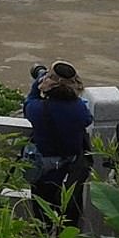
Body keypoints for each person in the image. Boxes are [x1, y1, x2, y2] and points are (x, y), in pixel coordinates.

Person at [24, 61, 93, 228]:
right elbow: (87, 120)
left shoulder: (38, 109)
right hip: (71, 170)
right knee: (69, 214)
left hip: (44, 169)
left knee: (41, 213)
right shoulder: (78, 108)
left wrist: (37, 83)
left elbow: (28, 104)